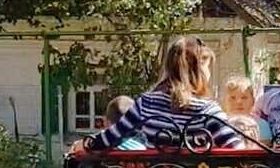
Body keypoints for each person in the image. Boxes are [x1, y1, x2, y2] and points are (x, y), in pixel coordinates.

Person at [71, 37, 241, 155]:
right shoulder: (209, 110)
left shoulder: (146, 104)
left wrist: (84, 144)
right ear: (200, 71)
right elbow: (238, 150)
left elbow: (109, 138)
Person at [222, 74, 273, 141]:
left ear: (253, 101)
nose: (238, 102)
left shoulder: (261, 125)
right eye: (233, 98)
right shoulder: (219, 123)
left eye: (244, 97)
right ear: (224, 101)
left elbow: (266, 146)